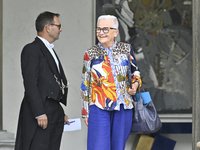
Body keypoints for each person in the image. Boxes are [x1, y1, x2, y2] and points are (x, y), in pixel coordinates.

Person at [80, 15, 142, 150]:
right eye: (98, 29)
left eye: (105, 29)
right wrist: (85, 111)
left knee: (118, 147)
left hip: (123, 105)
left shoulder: (126, 49)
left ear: (116, 32)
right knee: (99, 146)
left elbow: (135, 71)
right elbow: (85, 83)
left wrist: (135, 85)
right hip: (99, 106)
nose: (101, 33)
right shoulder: (90, 53)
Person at [15, 11, 70, 150]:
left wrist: (59, 112)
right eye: (58, 26)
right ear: (47, 28)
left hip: (53, 110)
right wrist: (39, 112)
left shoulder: (48, 49)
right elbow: (30, 83)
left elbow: (50, 81)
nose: (61, 29)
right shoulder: (31, 49)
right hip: (40, 112)